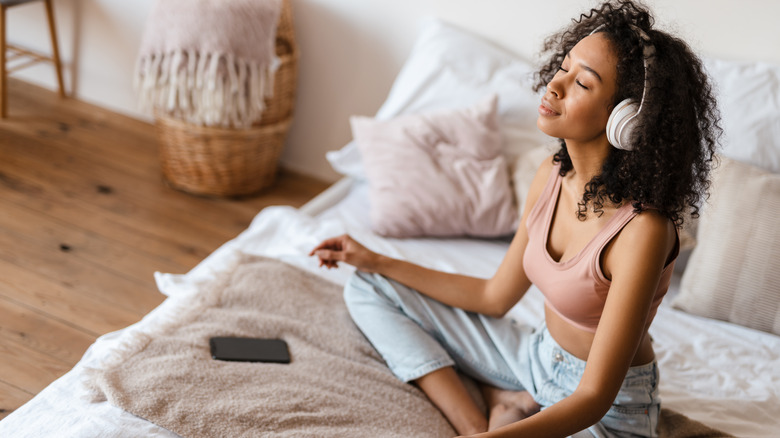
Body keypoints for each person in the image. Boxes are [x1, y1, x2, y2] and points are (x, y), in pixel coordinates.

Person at [310, 0, 720, 436]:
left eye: (581, 82)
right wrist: (374, 260)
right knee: (369, 287)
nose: (555, 86)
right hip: (534, 359)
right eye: (563, 67)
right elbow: (493, 296)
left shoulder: (644, 231)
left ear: (627, 120)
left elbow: (593, 398)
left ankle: (506, 408)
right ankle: (476, 423)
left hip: (607, 412)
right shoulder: (549, 175)